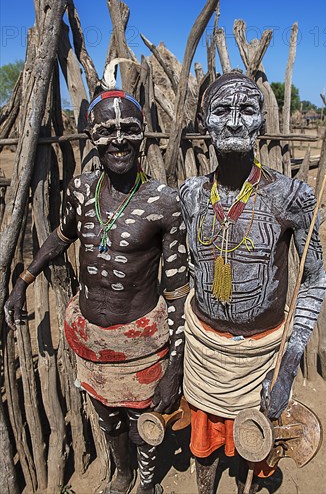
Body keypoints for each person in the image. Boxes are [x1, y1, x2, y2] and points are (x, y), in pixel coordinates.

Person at [4, 83, 189, 494]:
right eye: (107, 130)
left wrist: (174, 365)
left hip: (141, 340)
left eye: (128, 128)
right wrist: (24, 279)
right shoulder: (80, 191)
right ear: (92, 137)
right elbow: (59, 237)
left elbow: (177, 291)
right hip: (92, 339)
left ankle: (145, 484)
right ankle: (122, 475)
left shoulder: (163, 203)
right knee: (108, 415)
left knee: (145, 420)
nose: (118, 139)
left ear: (143, 133)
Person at [179, 72, 326, 493]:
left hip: (264, 355)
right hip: (205, 353)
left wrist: (289, 362)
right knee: (203, 450)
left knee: (258, 446)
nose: (233, 121)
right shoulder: (190, 195)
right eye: (222, 110)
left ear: (262, 121)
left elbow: (314, 281)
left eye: (246, 110)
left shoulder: (291, 197)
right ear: (205, 122)